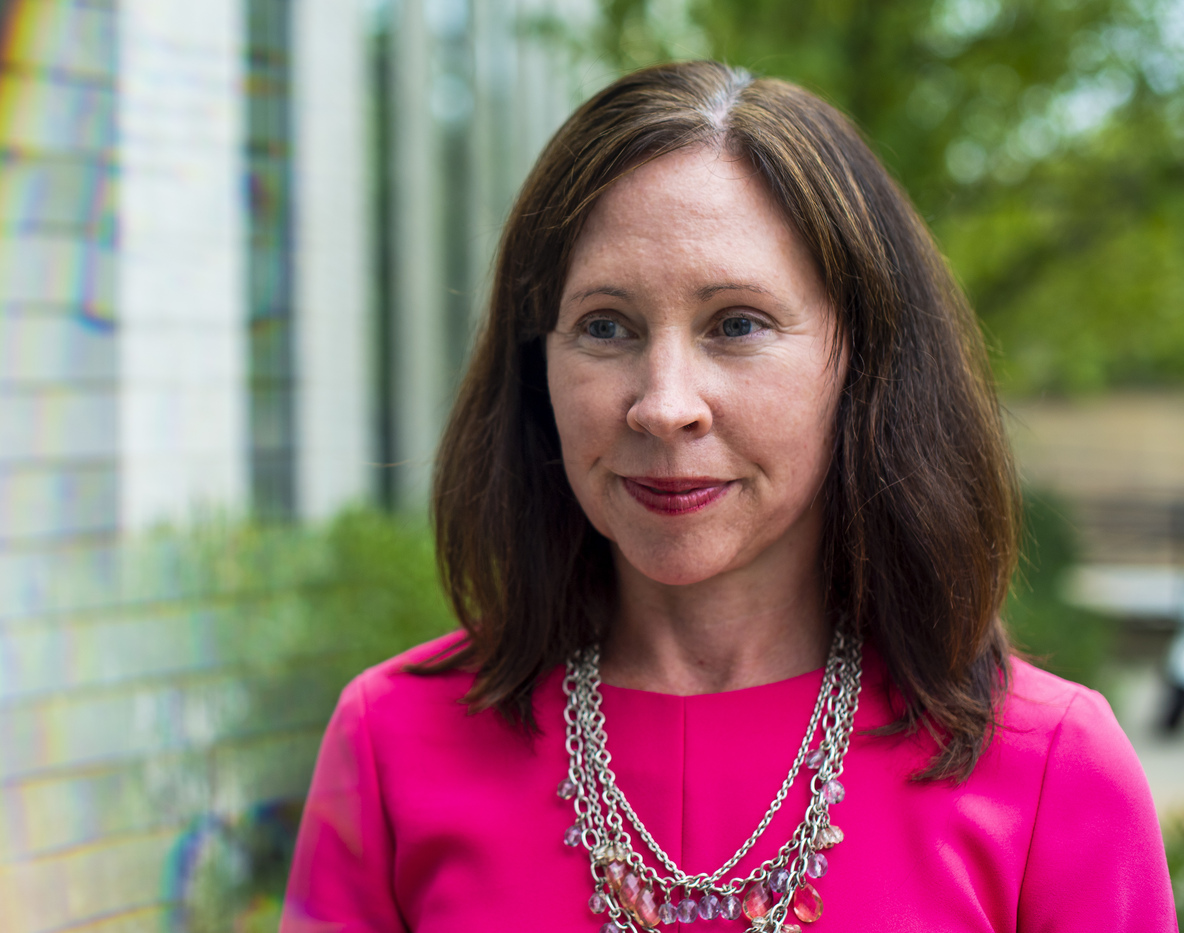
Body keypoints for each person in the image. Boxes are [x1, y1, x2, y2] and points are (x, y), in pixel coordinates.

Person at [280, 61, 1177, 932]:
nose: (664, 405)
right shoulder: (392, 745)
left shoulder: (1050, 769)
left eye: (737, 323)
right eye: (605, 326)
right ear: (537, 362)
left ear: (862, 360)